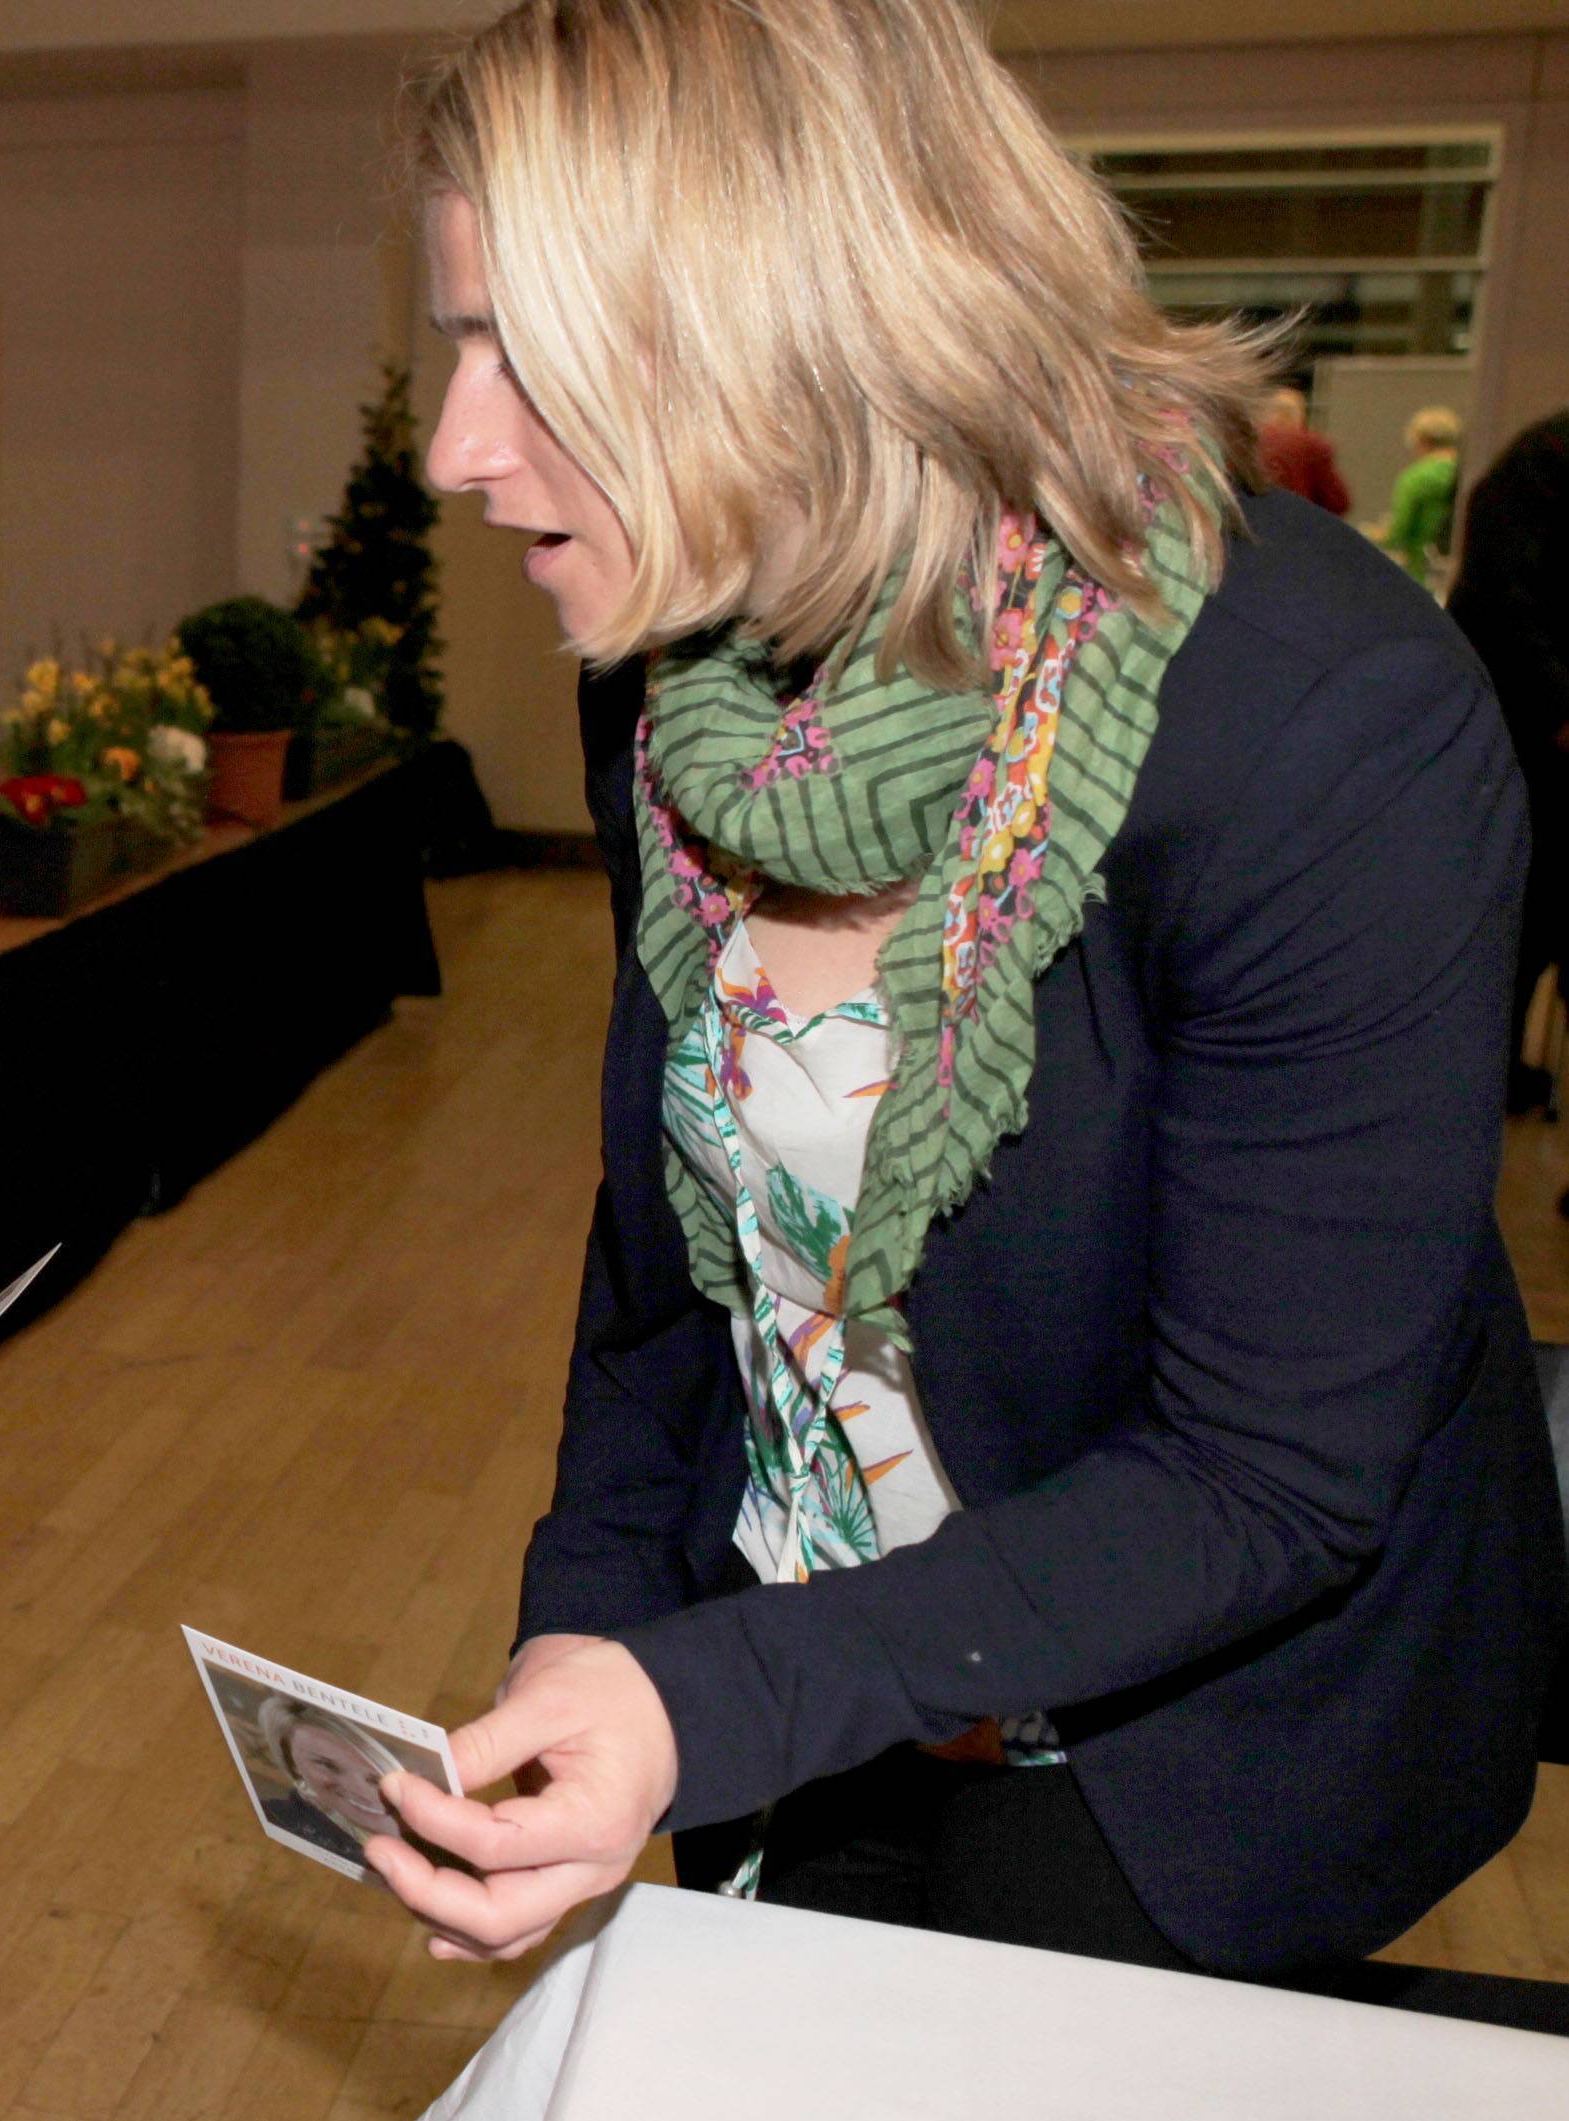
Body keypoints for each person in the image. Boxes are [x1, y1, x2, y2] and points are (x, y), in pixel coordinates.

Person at [363, 0, 1563, 1983]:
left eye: (527, 356)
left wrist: (707, 1699)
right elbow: (680, 1243)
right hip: (774, 1678)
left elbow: (1263, 1474)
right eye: (456, 340)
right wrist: (592, 1617)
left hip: (1175, 1762)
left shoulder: (1317, 729)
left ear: (799, 323)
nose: (451, 447)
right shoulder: (669, 674)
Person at [1449, 408, 1569, 1119]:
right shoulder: (1544, 462)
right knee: (1518, 923)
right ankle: (1490, 1084)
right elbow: (1500, 598)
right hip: (1527, 750)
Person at [253, 1697, 413, 1862]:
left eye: (372, 1776)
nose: (359, 1788)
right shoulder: (280, 1819)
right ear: (294, 1768)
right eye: (326, 1765)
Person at [1384, 404, 1464, 585]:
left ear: (1421, 440)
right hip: (1457, 571)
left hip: (1421, 571)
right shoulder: (1467, 473)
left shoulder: (1415, 478)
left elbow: (1399, 532)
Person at [1254, 382, 1351, 514]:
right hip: (1297, 522)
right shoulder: (1313, 445)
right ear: (1299, 414)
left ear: (1268, 414)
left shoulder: (1249, 442)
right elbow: (1338, 502)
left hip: (1255, 520)